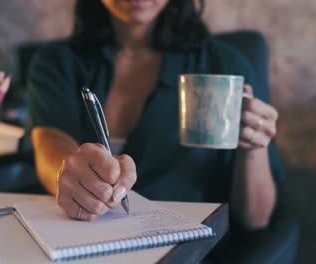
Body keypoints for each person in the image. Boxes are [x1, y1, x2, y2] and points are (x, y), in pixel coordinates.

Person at [26, 0, 281, 231]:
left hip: (182, 247)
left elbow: (255, 218)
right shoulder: (57, 62)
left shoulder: (224, 64)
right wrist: (67, 174)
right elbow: (50, 142)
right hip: (80, 238)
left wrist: (252, 147)